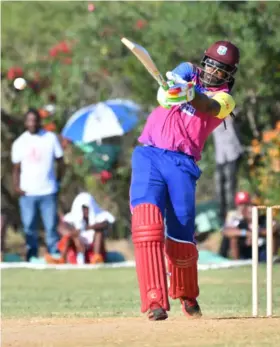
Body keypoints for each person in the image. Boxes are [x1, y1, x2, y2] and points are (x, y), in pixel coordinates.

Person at [129, 40, 240, 321]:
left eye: (221, 70)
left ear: (229, 74)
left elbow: (207, 105)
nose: (214, 72)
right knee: (147, 224)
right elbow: (167, 89)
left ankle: (186, 293)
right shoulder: (188, 70)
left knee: (180, 236)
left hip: (182, 164)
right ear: (205, 61)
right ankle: (154, 300)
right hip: (150, 155)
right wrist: (170, 92)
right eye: (212, 65)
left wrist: (189, 94)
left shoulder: (226, 99)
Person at [11, 108, 64, 261]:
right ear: (25, 122)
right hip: (28, 193)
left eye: (35, 120)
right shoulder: (20, 142)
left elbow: (60, 162)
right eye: (29, 120)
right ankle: (31, 255)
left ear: (40, 121)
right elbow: (15, 169)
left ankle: (53, 254)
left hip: (48, 191)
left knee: (50, 227)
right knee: (29, 227)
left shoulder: (50, 138)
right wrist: (17, 187)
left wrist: (58, 180)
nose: (32, 123)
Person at [45, 192, 115, 264]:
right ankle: (62, 259)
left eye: (87, 208)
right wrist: (75, 236)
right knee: (69, 237)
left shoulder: (100, 217)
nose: (85, 211)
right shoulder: (71, 220)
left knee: (99, 233)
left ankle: (96, 257)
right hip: (78, 252)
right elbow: (61, 228)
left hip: (94, 253)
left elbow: (106, 224)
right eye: (83, 209)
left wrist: (88, 227)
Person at [213, 116, 244, 222]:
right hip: (220, 155)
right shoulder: (210, 114)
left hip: (232, 152)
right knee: (219, 184)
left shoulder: (229, 113)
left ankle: (232, 209)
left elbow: (237, 117)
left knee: (230, 183)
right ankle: (222, 213)